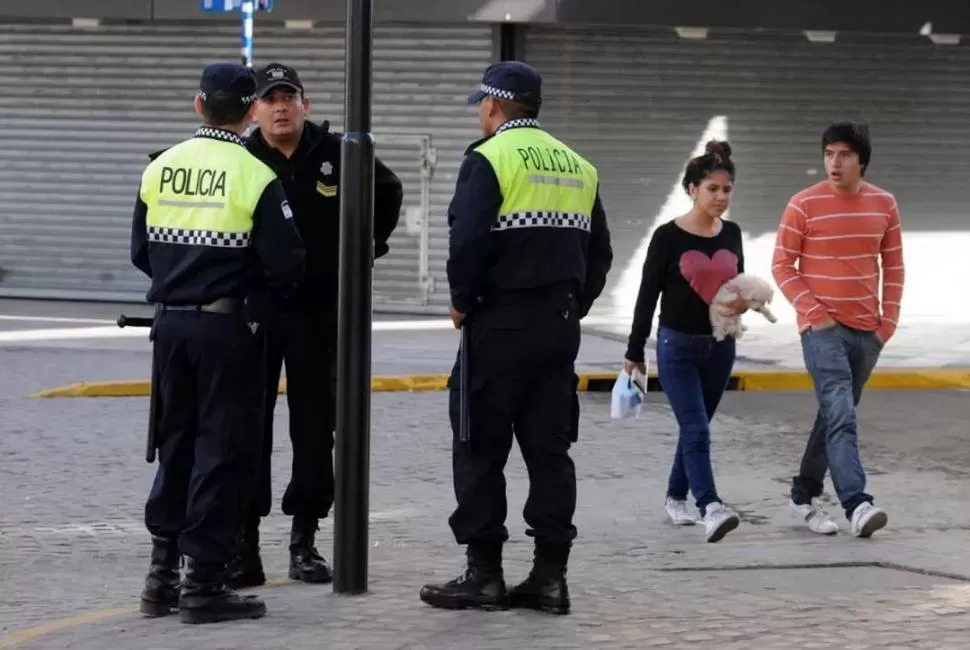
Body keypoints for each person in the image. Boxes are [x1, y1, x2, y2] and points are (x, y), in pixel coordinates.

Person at [418, 60, 613, 616]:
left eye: (482, 102)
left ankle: (484, 576)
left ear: (494, 106)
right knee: (550, 453)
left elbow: (469, 242)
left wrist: (461, 301)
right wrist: (575, 305)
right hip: (558, 329)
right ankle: (550, 578)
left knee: (479, 446)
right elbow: (599, 253)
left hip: (499, 326)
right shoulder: (579, 166)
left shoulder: (489, 159)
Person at [130, 62, 306, 624]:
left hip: (170, 326)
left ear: (199, 104)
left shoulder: (162, 167)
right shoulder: (254, 174)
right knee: (221, 450)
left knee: (174, 443)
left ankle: (160, 577)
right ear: (252, 109)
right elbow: (288, 263)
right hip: (225, 330)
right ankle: (203, 583)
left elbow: (140, 251)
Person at [226, 62, 404, 588]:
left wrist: (364, 250)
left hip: (318, 313)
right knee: (248, 427)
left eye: (289, 96)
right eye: (270, 98)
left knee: (313, 428)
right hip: (256, 311)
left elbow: (388, 192)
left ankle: (304, 539)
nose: (280, 106)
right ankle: (245, 543)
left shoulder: (337, 154)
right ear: (253, 110)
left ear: (305, 103)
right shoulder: (243, 157)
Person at [772, 121, 904, 538]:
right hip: (822, 330)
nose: (834, 162)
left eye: (843, 155)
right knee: (841, 414)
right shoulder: (803, 204)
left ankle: (802, 494)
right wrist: (815, 313)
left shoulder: (884, 204)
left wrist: (888, 324)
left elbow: (894, 266)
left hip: (869, 333)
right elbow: (781, 265)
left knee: (834, 414)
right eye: (829, 154)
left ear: (860, 160)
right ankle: (857, 503)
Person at [623, 140, 745, 544]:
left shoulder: (733, 234)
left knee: (697, 428)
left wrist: (745, 302)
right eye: (712, 188)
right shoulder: (667, 237)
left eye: (726, 189)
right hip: (677, 347)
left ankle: (676, 497)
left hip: (720, 345)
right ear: (692, 189)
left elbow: (735, 283)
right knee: (696, 429)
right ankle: (710, 507)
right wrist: (634, 350)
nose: (720, 197)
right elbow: (647, 295)